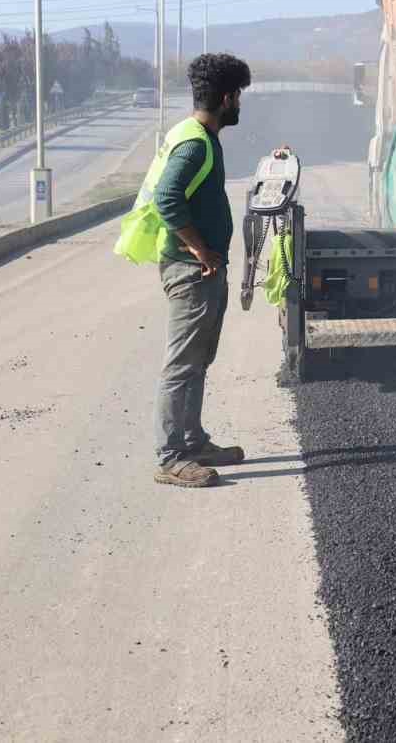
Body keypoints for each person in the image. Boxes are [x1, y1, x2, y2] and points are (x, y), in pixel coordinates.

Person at [151, 53, 253, 487]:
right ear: (227, 98)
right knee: (182, 365)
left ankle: (193, 442)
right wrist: (201, 250)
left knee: (198, 361)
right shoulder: (195, 143)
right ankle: (171, 456)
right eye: (240, 97)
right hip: (191, 271)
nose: (240, 106)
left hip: (202, 271)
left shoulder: (200, 136)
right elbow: (167, 197)